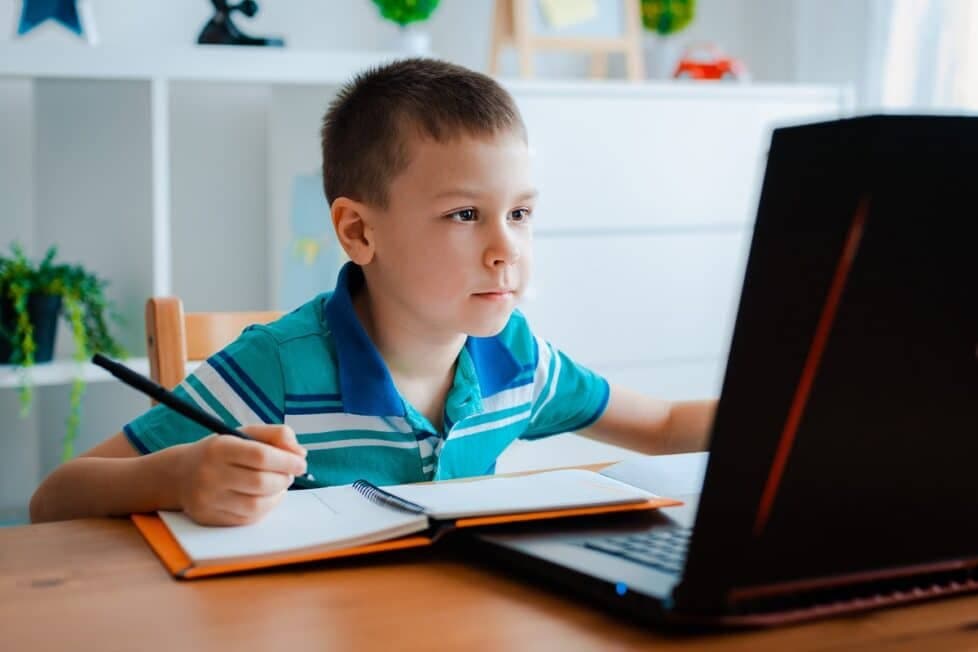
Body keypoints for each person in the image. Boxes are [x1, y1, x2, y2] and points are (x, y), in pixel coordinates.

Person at [30, 58, 716, 526]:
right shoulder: (281, 367)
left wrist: (810, 405)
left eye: (521, 213)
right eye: (464, 214)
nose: (507, 247)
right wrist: (177, 478)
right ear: (359, 232)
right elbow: (55, 499)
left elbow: (658, 427)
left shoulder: (516, 359)